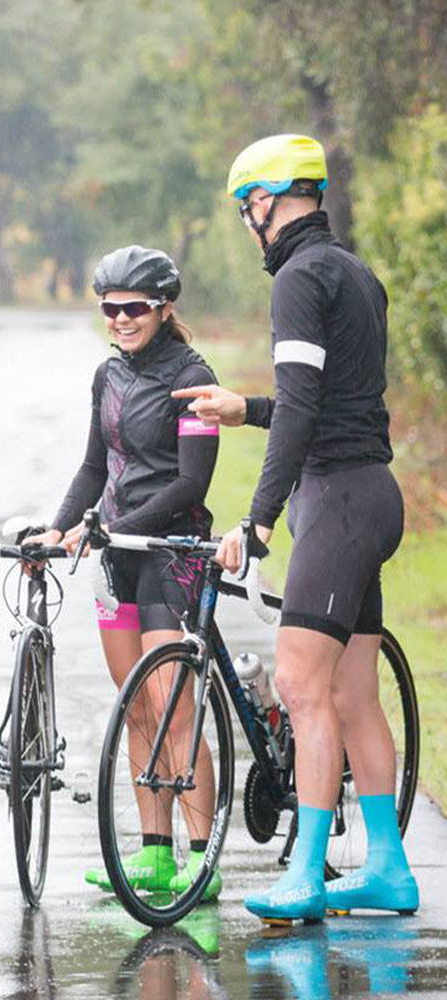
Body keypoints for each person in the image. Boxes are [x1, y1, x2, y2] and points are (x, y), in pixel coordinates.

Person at [174, 133, 418, 922]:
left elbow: (308, 413)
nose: (252, 224)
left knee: (300, 686)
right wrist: (246, 408)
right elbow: (327, 403)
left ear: (264, 203)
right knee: (352, 694)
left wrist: (258, 517)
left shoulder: (299, 280)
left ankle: (306, 875)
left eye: (249, 208)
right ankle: (387, 870)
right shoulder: (356, 274)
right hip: (371, 495)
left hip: (337, 502)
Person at [25, 246, 222, 900]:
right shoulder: (106, 377)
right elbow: (91, 468)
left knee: (172, 705)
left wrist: (121, 521)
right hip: (117, 555)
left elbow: (192, 481)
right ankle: (155, 853)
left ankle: (203, 856)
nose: (120, 319)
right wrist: (58, 527)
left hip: (172, 554)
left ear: (164, 309)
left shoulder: (194, 378)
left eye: (134, 308)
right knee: (135, 703)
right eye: (109, 308)